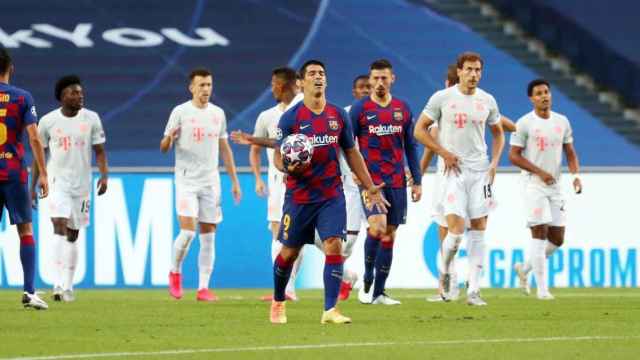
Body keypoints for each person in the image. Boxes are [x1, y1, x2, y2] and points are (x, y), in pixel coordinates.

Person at [270, 59, 387, 324]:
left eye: (322, 73)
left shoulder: (338, 115)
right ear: (301, 82)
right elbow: (279, 156)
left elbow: (351, 152)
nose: (318, 77)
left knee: (335, 245)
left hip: (331, 195)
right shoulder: (291, 117)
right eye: (312, 73)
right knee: (289, 252)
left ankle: (330, 310)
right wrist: (288, 165)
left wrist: (369, 185)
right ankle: (278, 301)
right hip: (299, 197)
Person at [414, 52, 505, 306]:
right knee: (455, 230)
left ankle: (474, 291)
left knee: (479, 230)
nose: (474, 74)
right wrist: (444, 153)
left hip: (480, 173)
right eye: (469, 69)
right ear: (460, 71)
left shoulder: (487, 100)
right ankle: (445, 270)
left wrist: (495, 162)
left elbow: (498, 134)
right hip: (453, 173)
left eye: (478, 70)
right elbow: (419, 130)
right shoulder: (442, 98)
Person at [161, 68, 242, 302]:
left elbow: (224, 149)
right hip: (186, 181)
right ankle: (175, 272)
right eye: (202, 85)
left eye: (209, 85)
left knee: (209, 237)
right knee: (187, 233)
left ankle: (203, 288)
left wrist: (234, 180)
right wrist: (170, 138)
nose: (206, 89)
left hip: (211, 183)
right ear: (192, 88)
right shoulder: (180, 112)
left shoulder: (218, 114)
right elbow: (164, 147)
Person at [351, 59, 422, 305]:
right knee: (377, 228)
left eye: (384, 78)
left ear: (393, 79)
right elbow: (347, 145)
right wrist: (355, 173)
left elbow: (411, 147)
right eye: (376, 78)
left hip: (396, 180)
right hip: (370, 181)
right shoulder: (359, 110)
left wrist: (417, 181)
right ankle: (367, 276)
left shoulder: (403, 109)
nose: (380, 83)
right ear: (370, 81)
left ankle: (379, 293)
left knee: (390, 235)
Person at [34, 75, 108, 302]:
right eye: (74, 93)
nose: (79, 96)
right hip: (58, 182)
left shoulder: (92, 118)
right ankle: (56, 284)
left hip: (82, 184)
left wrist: (104, 176)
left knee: (74, 234)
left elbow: (100, 151)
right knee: (58, 224)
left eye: (80, 92)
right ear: (62, 97)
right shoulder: (48, 121)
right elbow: (39, 154)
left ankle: (68, 285)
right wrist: (33, 186)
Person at [232, 67, 303, 301]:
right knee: (278, 231)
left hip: (303, 181)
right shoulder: (267, 116)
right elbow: (255, 150)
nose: (270, 87)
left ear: (283, 85)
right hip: (276, 182)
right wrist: (257, 178)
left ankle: (345, 275)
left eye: (273, 83)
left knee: (302, 237)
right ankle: (283, 289)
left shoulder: (306, 109)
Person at [510, 79, 581, 300]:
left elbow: (569, 152)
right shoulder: (524, 123)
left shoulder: (562, 121)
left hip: (555, 185)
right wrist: (539, 171)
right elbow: (513, 155)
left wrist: (576, 176)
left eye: (547, 92)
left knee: (557, 238)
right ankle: (542, 289)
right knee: (539, 232)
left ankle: (524, 268)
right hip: (533, 184)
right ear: (531, 98)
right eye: (539, 93)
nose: (544, 96)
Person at [0, 47, 49, 309]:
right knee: (25, 231)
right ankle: (29, 292)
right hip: (13, 173)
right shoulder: (22, 98)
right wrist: (43, 173)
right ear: (11, 67)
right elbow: (34, 137)